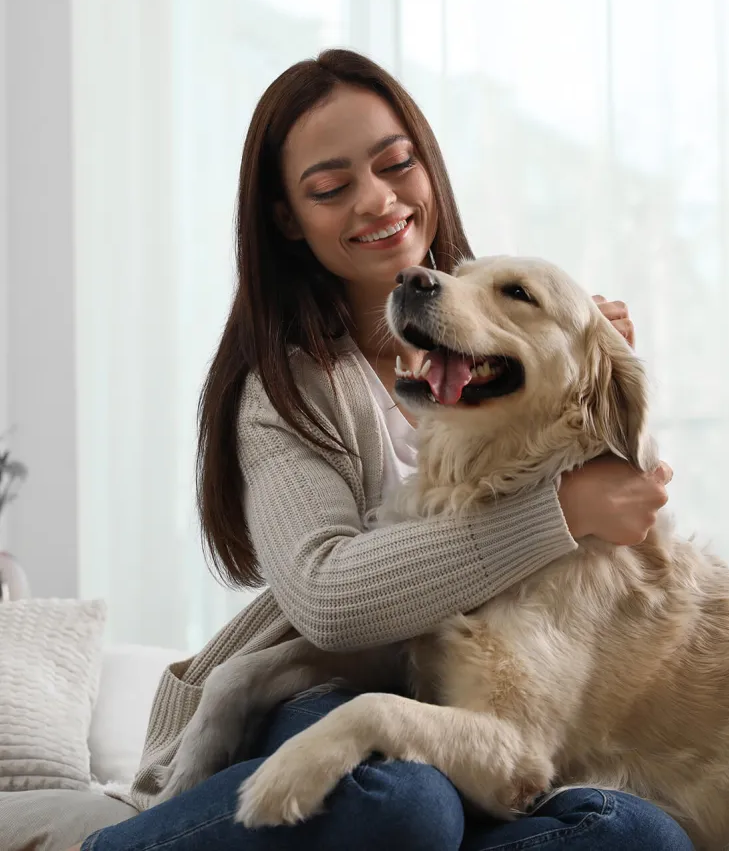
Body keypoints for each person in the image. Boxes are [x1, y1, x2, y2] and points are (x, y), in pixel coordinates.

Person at [71, 49, 692, 851]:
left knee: (637, 835)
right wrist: (559, 511)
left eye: (396, 163)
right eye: (330, 187)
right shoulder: (284, 390)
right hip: (317, 688)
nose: (377, 199)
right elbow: (330, 601)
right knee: (403, 800)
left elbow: (601, 555)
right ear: (288, 219)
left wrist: (583, 376)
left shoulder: (494, 328)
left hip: (461, 711)